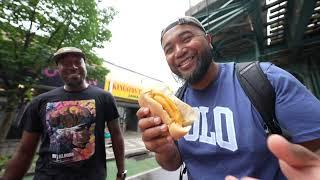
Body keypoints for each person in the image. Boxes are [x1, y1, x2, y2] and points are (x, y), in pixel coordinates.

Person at [136, 16, 320, 179]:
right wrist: (162, 148)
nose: (178, 51)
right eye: (169, 49)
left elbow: (314, 152)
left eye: (187, 38)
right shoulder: (177, 101)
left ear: (209, 41)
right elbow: (173, 163)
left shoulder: (266, 79)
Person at [1, 47, 126, 180]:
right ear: (58, 69)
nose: (72, 67)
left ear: (85, 66)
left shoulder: (104, 97)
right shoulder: (40, 102)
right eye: (65, 63)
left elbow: (116, 136)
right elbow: (24, 152)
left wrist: (121, 172)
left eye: (78, 62)